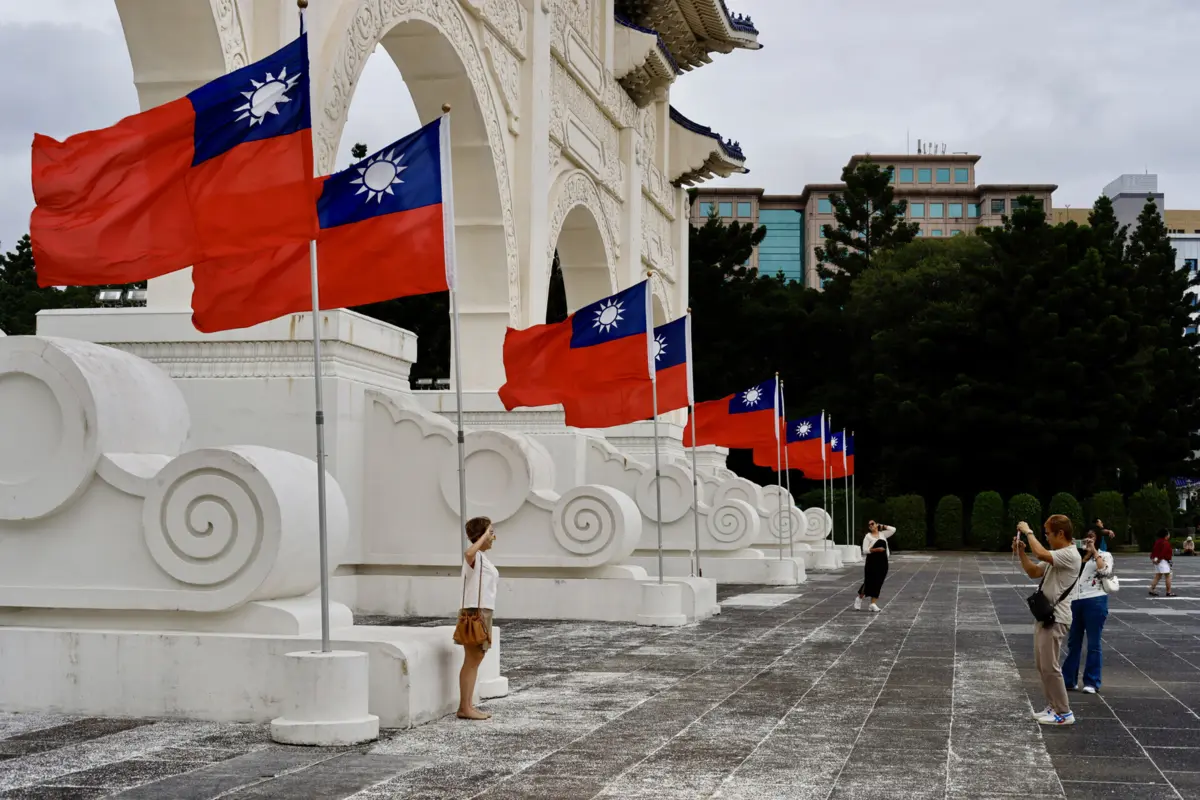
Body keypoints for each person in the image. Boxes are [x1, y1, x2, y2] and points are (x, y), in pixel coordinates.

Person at [1013, 514, 1082, 726]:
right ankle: (1053, 706)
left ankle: (1064, 711)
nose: (1047, 537)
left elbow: (1041, 553)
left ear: (1061, 533)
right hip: (1046, 615)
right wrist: (1022, 552)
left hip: (1057, 617)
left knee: (1050, 666)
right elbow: (1034, 571)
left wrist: (1028, 531)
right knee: (1042, 665)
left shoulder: (1070, 554)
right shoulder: (1059, 554)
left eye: (1048, 533)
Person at [1062, 527, 1115, 694]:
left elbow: (1105, 571)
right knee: (1073, 642)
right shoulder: (1077, 557)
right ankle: (1069, 680)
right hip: (1075, 601)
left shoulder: (1104, 555)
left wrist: (1094, 552)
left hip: (1095, 600)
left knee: (1093, 642)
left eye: (1092, 538)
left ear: (1098, 539)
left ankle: (1092, 681)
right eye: (1087, 538)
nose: (1089, 541)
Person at [457, 516, 499, 720]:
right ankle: (465, 707)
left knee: (474, 660)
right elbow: (468, 552)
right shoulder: (476, 557)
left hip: (482, 611)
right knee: (473, 660)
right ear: (482, 535)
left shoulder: (482, 558)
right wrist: (483, 537)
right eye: (491, 533)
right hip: (476, 612)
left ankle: (467, 706)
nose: (494, 538)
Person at [854, 520, 896, 613]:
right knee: (869, 581)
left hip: (883, 562)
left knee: (878, 582)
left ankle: (873, 604)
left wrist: (882, 526)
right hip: (872, 562)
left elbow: (893, 529)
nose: (870, 525)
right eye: (869, 525)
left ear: (877, 524)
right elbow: (864, 550)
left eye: (872, 523)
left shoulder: (883, 535)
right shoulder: (868, 536)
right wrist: (876, 549)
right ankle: (859, 598)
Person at [1149, 528, 1175, 597]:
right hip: (1163, 560)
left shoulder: (1158, 541)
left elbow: (1154, 551)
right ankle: (1168, 592)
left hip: (1156, 560)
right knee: (1168, 576)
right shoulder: (1165, 542)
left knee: (1158, 576)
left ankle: (1151, 589)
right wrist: (1159, 559)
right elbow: (1164, 552)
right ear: (1166, 535)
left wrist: (1153, 559)